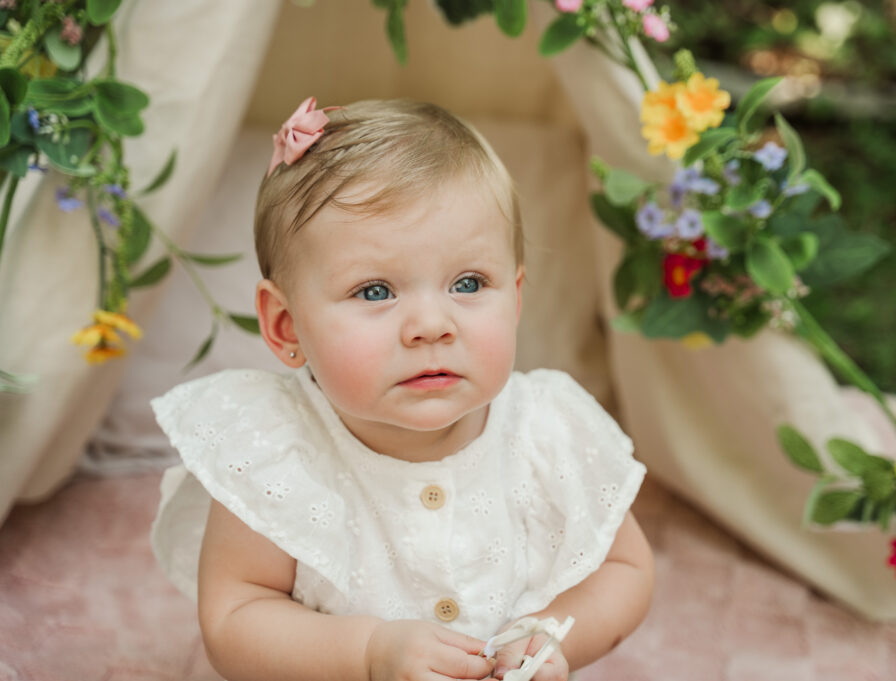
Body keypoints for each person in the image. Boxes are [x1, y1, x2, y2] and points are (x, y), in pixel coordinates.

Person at [150, 97, 654, 681]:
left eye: (468, 283)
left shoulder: (549, 428)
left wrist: (548, 637)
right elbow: (235, 618)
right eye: (375, 291)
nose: (432, 325)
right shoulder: (273, 448)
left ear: (514, 298)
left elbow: (625, 568)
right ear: (285, 325)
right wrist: (367, 653)